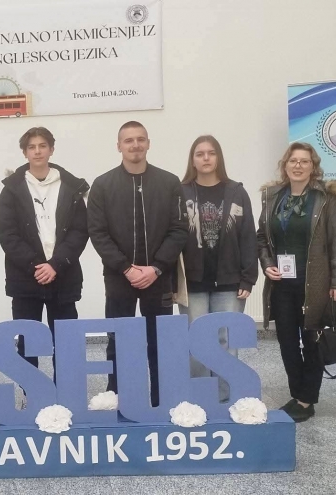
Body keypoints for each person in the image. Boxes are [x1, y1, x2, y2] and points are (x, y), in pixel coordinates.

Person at [87, 121, 187, 407]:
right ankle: (118, 400)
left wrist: (156, 268)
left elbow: (179, 230)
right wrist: (127, 269)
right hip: (119, 278)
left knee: (160, 343)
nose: (135, 145)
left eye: (140, 139)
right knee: (118, 342)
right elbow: (98, 233)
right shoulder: (102, 185)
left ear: (148, 143)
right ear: (118, 146)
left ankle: (161, 402)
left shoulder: (169, 183)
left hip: (159, 277)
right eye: (128, 140)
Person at [257, 142, 336, 422]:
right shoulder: (272, 197)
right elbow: (261, 238)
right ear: (285, 165)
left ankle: (306, 400)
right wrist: (267, 264)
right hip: (282, 285)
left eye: (304, 161)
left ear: (313, 166)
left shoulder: (328, 199)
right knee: (286, 343)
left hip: (316, 285)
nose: (298, 166)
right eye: (293, 160)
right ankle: (298, 394)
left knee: (313, 342)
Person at [0, 127, 89, 385]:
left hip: (64, 276)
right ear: (24, 152)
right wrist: (37, 266)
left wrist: (55, 265)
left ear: (51, 149)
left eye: (42, 146)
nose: (37, 151)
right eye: (31, 147)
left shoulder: (71, 187)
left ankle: (67, 393)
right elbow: (8, 235)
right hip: (25, 279)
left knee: (66, 341)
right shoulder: (11, 190)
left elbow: (80, 231)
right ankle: (32, 395)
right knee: (28, 342)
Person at [177, 135, 258, 402]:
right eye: (200, 154)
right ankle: (199, 398)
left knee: (225, 340)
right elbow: (172, 236)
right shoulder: (181, 193)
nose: (206, 158)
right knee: (197, 341)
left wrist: (248, 278)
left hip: (229, 281)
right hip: (193, 282)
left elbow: (248, 236)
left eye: (211, 153)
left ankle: (225, 398)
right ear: (193, 160)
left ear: (219, 157)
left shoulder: (236, 192)